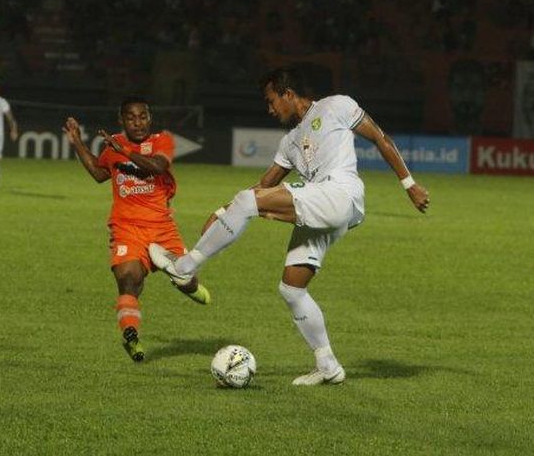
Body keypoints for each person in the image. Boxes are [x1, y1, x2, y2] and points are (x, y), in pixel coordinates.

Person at [149, 67, 430, 385]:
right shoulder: (290, 143)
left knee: (247, 203)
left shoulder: (336, 105)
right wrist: (224, 211)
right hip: (324, 208)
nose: (270, 110)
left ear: (288, 94)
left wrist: (409, 184)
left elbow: (379, 136)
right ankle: (328, 366)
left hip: (340, 192)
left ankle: (185, 266)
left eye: (271, 101)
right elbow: (263, 187)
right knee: (292, 289)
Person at [63, 96, 211, 362]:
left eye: (142, 116)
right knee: (129, 280)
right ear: (122, 120)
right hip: (126, 229)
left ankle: (188, 285)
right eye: (131, 118)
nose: (137, 122)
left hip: (162, 228)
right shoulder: (114, 147)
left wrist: (124, 151)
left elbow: (158, 166)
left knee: (187, 280)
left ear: (150, 118)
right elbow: (99, 173)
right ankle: (131, 335)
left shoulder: (161, 140)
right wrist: (77, 143)